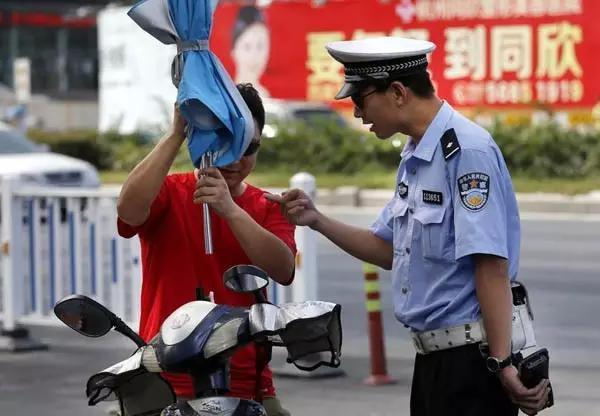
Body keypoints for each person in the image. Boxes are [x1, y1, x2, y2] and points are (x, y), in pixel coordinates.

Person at [267, 37, 551, 416]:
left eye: (360, 99)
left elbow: (490, 265)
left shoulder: (466, 152)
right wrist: (316, 220)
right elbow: (388, 248)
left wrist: (502, 363)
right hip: (434, 361)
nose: (357, 113)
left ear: (398, 92)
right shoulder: (416, 156)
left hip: (472, 364)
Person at [116, 83, 295, 416]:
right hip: (164, 375)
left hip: (245, 380)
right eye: (224, 142)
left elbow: (283, 269)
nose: (236, 159)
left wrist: (229, 209)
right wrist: (175, 134)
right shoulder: (169, 192)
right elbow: (128, 212)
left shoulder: (267, 206)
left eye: (249, 146)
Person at [231, 6, 271, 98]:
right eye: (247, 47)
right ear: (233, 51)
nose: (254, 56)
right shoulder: (226, 94)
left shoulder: (265, 97)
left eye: (260, 46)